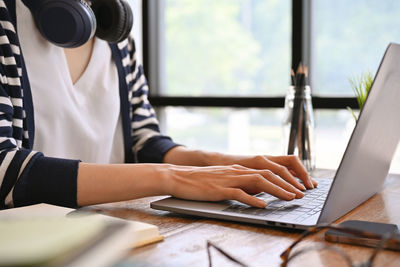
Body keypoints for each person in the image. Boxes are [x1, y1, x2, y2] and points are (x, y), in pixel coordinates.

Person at [0, 0, 317, 210]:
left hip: (115, 232)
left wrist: (221, 163)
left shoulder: (114, 31)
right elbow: (5, 170)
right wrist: (173, 177)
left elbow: (143, 141)